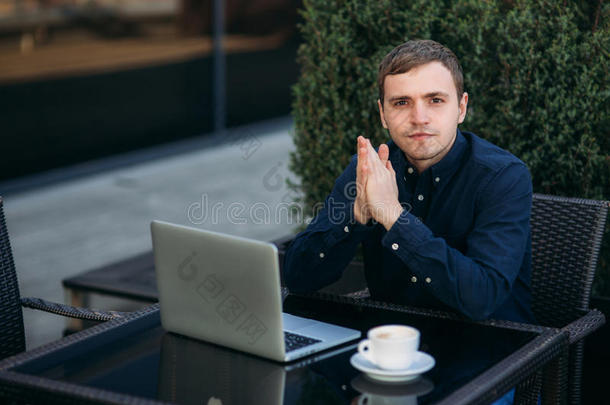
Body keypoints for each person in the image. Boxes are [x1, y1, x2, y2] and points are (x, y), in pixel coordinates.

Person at [283, 39, 535, 324]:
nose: (419, 118)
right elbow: (297, 277)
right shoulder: (369, 170)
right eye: (401, 103)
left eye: (435, 100)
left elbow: (482, 297)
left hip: (492, 351)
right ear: (383, 114)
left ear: (461, 108)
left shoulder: (503, 177)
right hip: (389, 346)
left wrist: (393, 216)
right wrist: (356, 216)